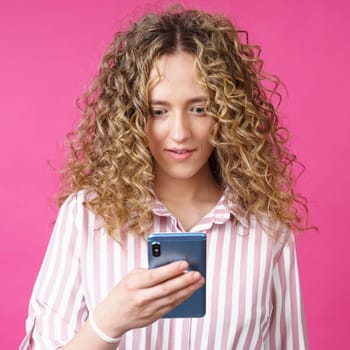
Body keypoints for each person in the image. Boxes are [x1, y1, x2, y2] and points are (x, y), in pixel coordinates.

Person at [20, 5, 310, 350]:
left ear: (229, 112)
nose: (180, 133)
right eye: (158, 111)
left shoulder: (267, 230)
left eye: (199, 108)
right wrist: (106, 324)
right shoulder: (85, 216)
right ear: (130, 117)